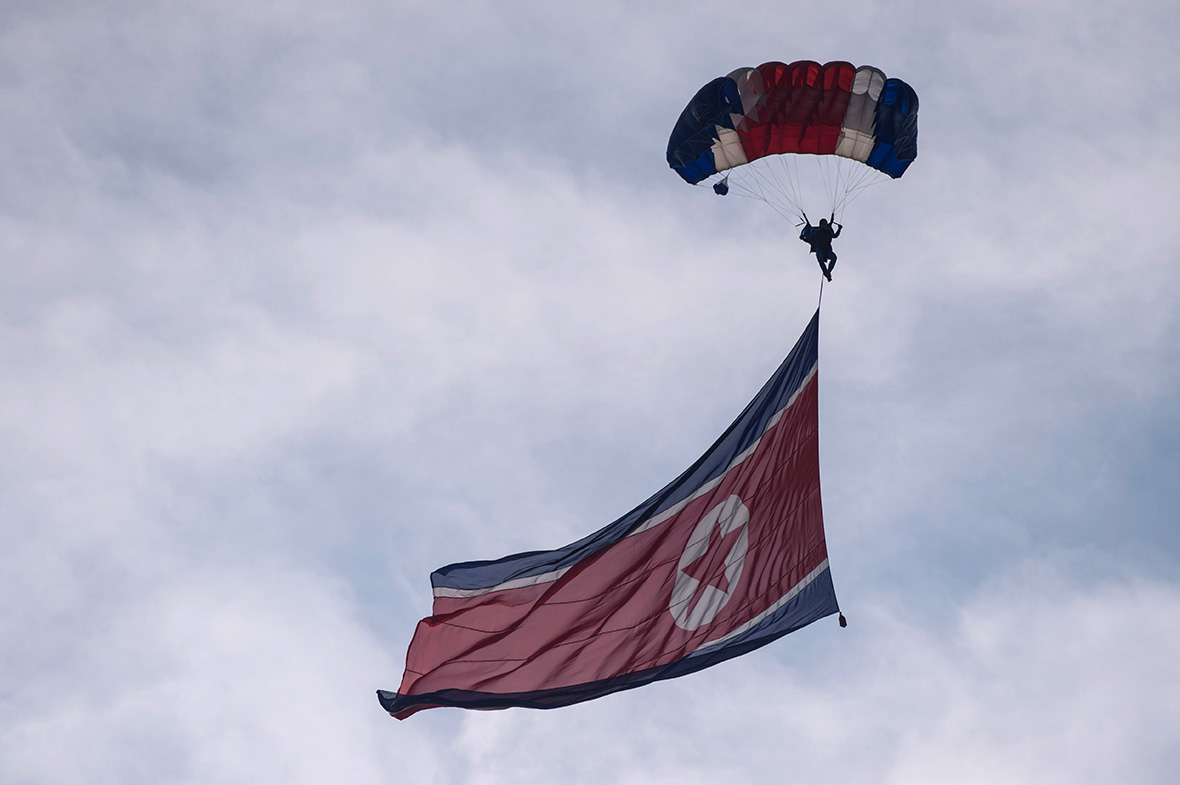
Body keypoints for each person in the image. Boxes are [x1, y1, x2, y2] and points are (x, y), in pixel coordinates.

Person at [799, 213, 842, 281]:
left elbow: (835, 236)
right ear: (820, 225)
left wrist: (839, 229)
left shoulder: (828, 232)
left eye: (825, 224)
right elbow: (810, 239)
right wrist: (803, 238)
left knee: (834, 257)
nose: (824, 225)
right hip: (819, 249)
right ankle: (826, 273)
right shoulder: (816, 233)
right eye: (822, 224)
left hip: (827, 250)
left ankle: (827, 272)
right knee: (820, 259)